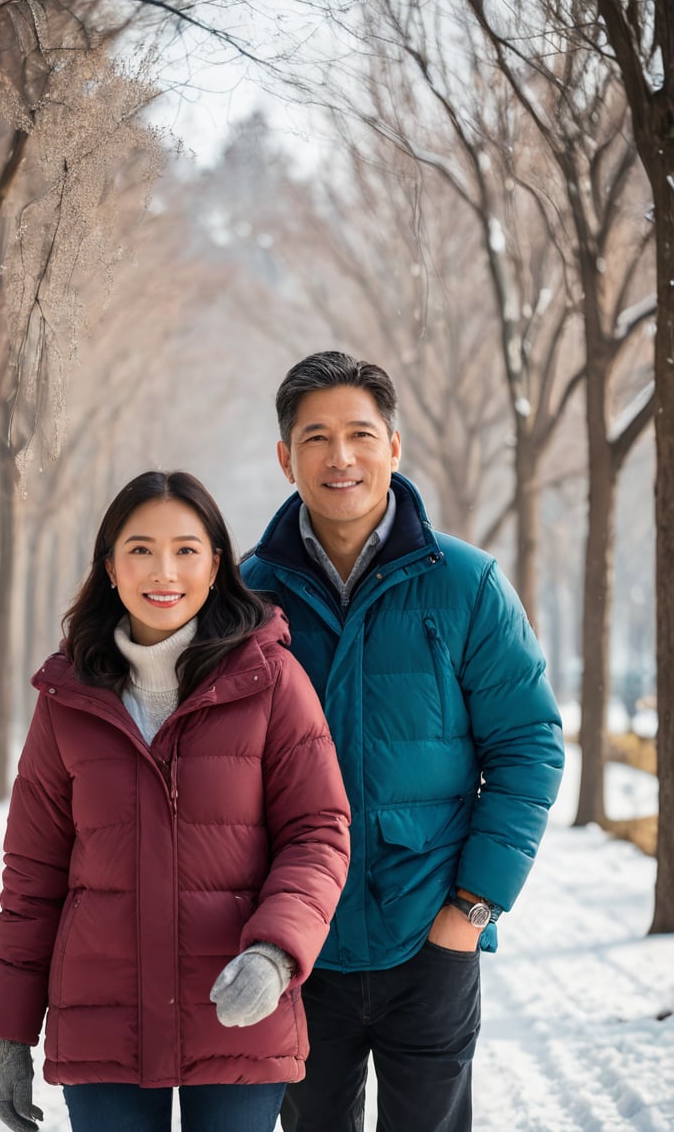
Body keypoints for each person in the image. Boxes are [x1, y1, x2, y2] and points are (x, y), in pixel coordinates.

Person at [241, 352, 565, 1132]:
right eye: (315, 437)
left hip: (433, 935)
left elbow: (528, 746)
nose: (339, 456)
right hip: (300, 944)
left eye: (360, 432)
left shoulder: (465, 584)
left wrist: (471, 909)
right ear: (286, 457)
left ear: (395, 444)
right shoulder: (248, 598)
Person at [0, 469, 351, 1132]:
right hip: (101, 1023)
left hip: (240, 1013)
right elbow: (32, 877)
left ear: (215, 565)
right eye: (141, 549)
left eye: (185, 549)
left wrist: (276, 952)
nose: (164, 571)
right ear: (111, 569)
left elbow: (317, 835)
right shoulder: (67, 699)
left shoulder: (272, 680)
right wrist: (9, 1030)